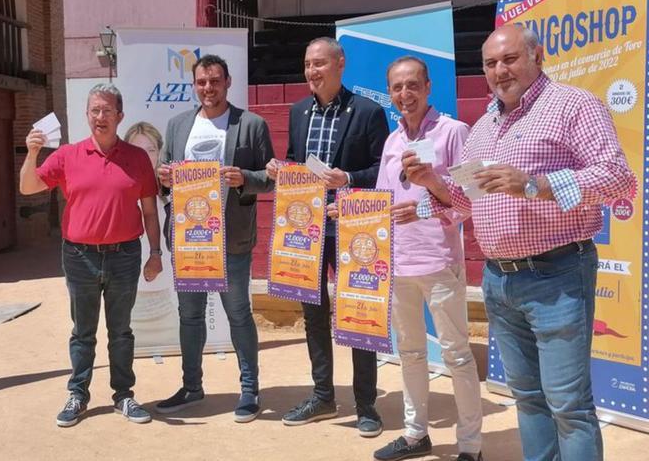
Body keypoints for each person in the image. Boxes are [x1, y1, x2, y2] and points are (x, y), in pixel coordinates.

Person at [397, 25, 635, 461]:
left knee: (569, 406)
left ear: (537, 56)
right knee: (526, 398)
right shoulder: (484, 127)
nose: (499, 70)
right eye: (490, 63)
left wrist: (536, 184)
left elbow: (619, 179)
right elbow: (469, 201)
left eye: (509, 59)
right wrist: (430, 190)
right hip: (499, 281)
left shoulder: (572, 105)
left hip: (557, 274)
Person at [19, 84, 163, 427]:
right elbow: (27, 187)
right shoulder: (68, 155)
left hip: (125, 255)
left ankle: (124, 396)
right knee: (83, 332)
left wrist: (155, 253)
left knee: (122, 331)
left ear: (120, 116)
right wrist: (31, 153)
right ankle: (77, 396)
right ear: (87, 115)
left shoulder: (137, 158)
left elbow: (150, 212)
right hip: (79, 256)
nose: (101, 117)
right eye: (95, 110)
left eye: (108, 111)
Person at [266, 37, 388, 436]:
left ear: (340, 64)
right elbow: (298, 162)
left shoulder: (368, 112)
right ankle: (323, 396)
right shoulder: (299, 110)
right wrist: (281, 170)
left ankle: (367, 404)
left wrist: (349, 178)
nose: (311, 71)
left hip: (352, 226)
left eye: (319, 63)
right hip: (307, 227)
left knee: (359, 312)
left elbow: (381, 171)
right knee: (313, 314)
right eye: (306, 64)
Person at [369, 56, 482, 461]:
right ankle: (416, 434)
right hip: (399, 264)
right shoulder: (391, 141)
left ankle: (470, 446)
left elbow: (472, 202)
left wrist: (431, 183)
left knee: (456, 355)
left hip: (439, 262)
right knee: (411, 354)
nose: (405, 94)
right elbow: (385, 200)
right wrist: (351, 213)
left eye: (413, 85)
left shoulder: (455, 131)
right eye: (397, 87)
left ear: (428, 87)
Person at [155, 54, 275, 423]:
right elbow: (163, 179)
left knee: (238, 313)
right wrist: (164, 180)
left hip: (232, 239)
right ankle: (192, 387)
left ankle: (250, 390)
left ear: (228, 82)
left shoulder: (251, 124)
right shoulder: (177, 125)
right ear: (194, 85)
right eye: (202, 82)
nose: (208, 88)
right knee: (189, 315)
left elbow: (269, 177)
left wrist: (245, 179)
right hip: (190, 240)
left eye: (215, 81)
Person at [124, 122, 179, 351]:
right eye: (137, 149)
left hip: (166, 305)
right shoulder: (121, 191)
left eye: (150, 149)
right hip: (131, 305)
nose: (144, 156)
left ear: (159, 151)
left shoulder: (172, 193)